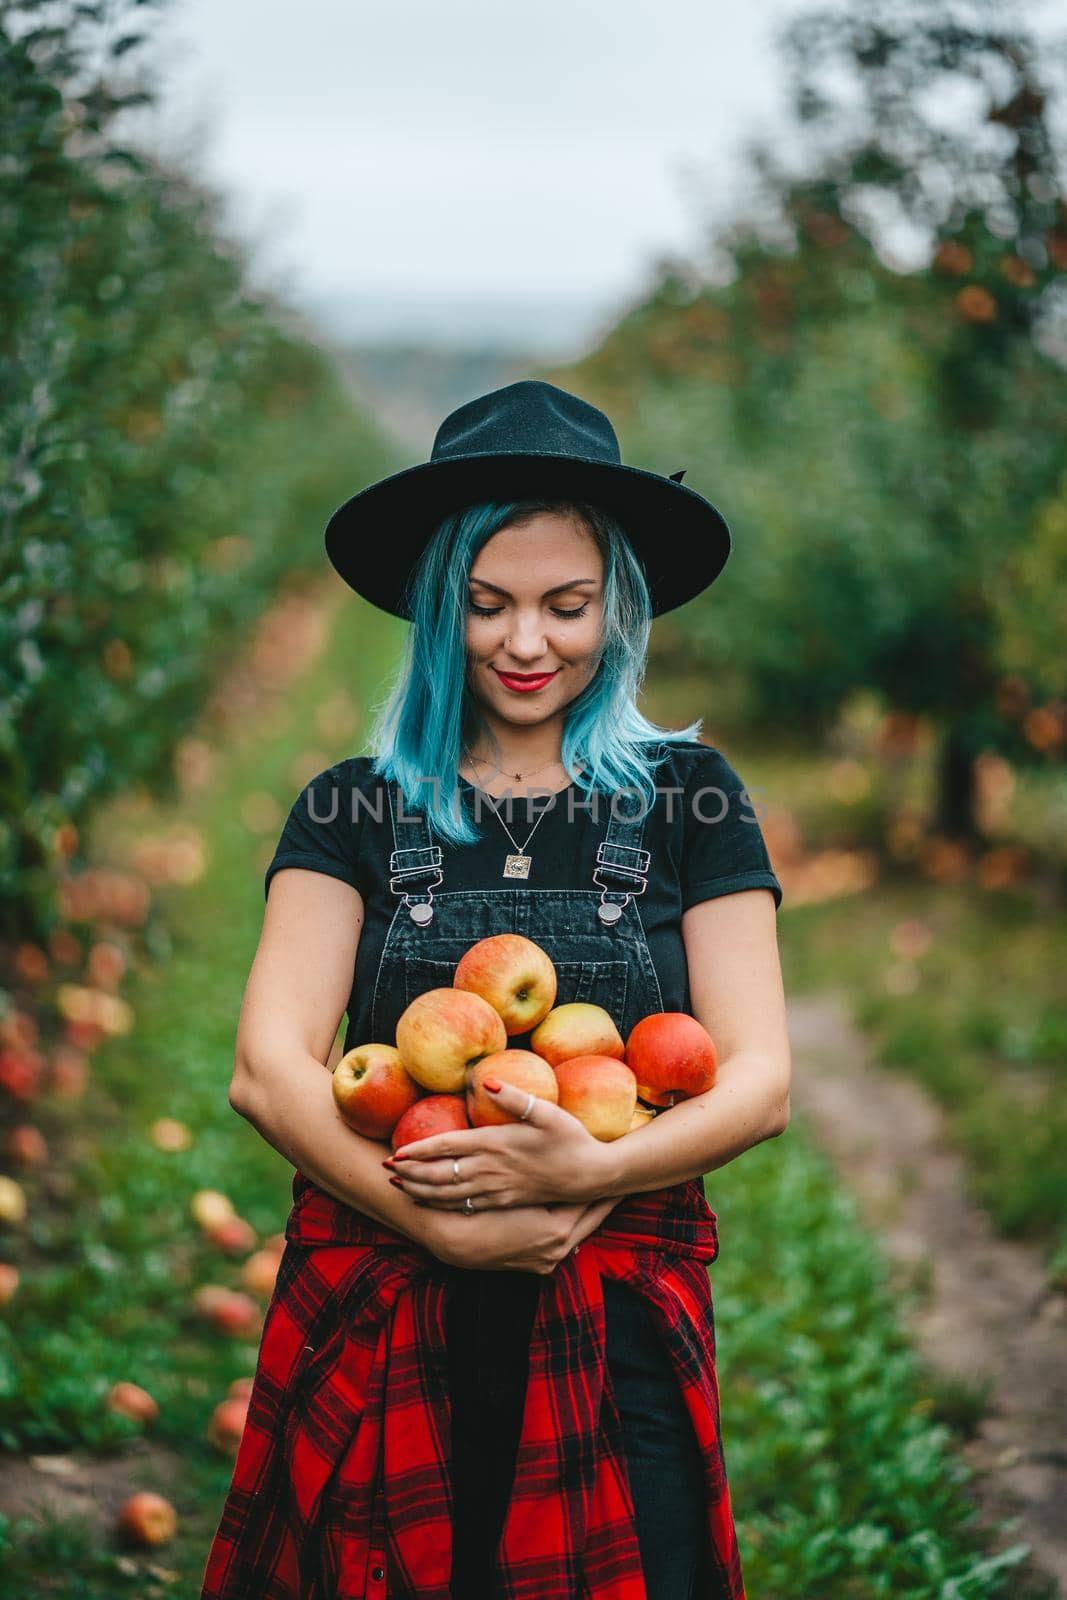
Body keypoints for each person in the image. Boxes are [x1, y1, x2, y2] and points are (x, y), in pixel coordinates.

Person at [200, 379, 790, 1600]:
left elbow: (762, 1076)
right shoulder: (353, 805)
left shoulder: (687, 798)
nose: (528, 643)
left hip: (612, 1309)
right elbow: (267, 1067)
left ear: (614, 606)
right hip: (386, 1300)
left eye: (566, 606)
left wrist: (592, 1176)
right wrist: (427, 1218)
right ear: (435, 610)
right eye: (487, 605)